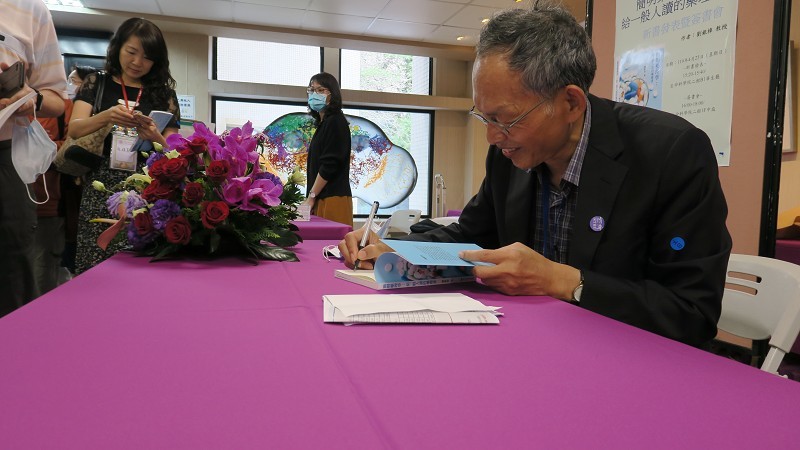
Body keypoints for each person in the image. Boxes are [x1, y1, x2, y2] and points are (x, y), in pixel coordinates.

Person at [339, 3, 732, 347]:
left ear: (571, 103)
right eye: (484, 117)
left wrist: (564, 281)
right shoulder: (509, 156)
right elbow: (471, 235)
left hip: (628, 360)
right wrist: (396, 247)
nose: (493, 137)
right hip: (530, 345)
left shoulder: (671, 153)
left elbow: (690, 312)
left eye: (505, 119)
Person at [71, 18, 180, 274]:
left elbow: (174, 152)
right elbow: (74, 129)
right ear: (117, 47)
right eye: (131, 52)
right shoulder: (96, 82)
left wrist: (154, 135)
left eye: (147, 57)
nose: (137, 62)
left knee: (138, 267)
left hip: (146, 190)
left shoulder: (164, 95)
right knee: (93, 262)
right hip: (99, 185)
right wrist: (107, 116)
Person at [0, 0, 67, 316]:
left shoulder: (31, 9)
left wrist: (31, 98)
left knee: (13, 278)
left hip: (5, 156)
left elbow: (56, 99)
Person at [30, 65, 97, 293]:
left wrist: (35, 149)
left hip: (48, 203)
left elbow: (73, 146)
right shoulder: (10, 105)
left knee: (42, 272)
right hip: (12, 200)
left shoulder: (63, 107)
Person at [302, 72, 353, 227]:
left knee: (334, 242)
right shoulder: (324, 123)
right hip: (322, 197)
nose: (314, 94)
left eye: (321, 90)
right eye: (312, 90)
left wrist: (311, 196)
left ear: (332, 94)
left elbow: (330, 164)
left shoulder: (335, 121)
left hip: (332, 198)